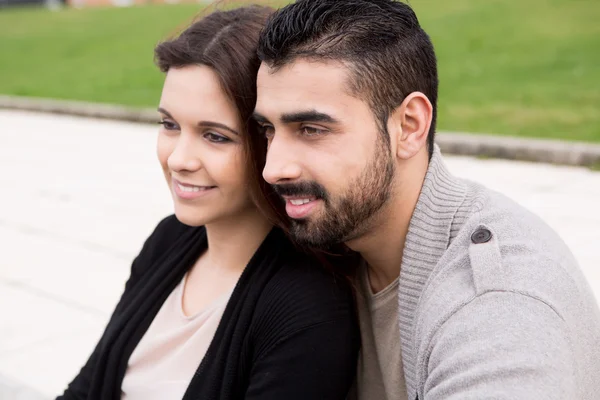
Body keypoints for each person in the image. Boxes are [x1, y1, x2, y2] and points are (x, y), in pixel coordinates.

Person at [252, 1, 600, 399]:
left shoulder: (498, 301)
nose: (273, 168)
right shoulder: (334, 247)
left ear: (410, 126)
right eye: (267, 130)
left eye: (312, 129)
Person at [57, 6, 359, 400]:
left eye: (215, 136)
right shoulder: (170, 238)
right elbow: (86, 388)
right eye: (170, 125)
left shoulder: (306, 311)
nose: (179, 159)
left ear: (270, 140)